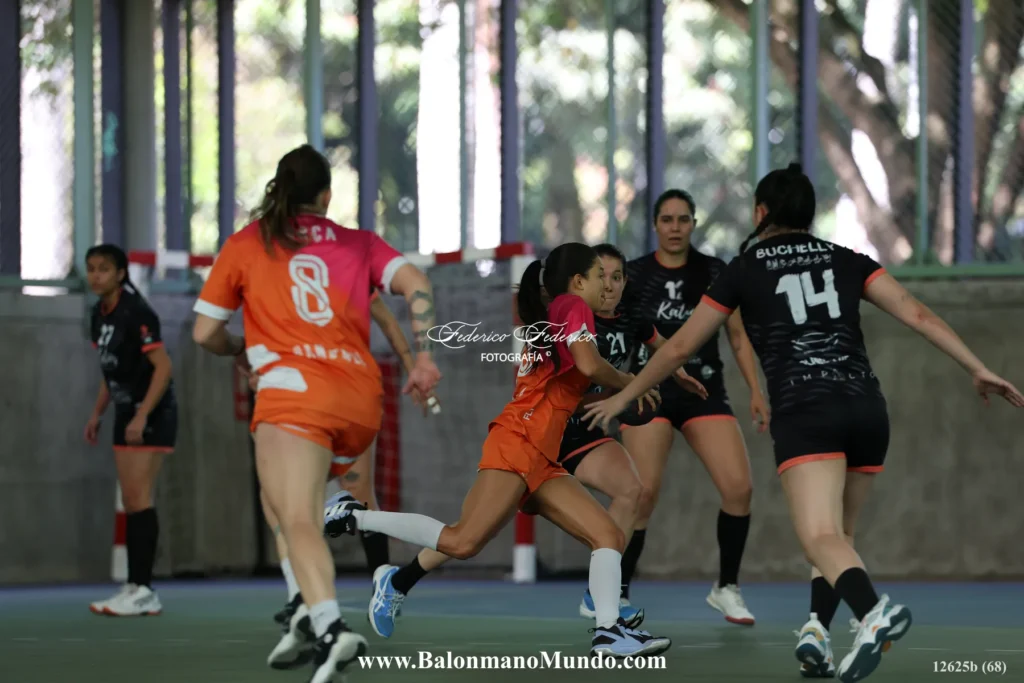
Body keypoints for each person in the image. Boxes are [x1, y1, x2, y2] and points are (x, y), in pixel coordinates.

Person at [581, 163, 1024, 682]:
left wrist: (624, 394)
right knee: (840, 535)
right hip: (866, 409)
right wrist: (977, 367)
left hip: (808, 411)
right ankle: (817, 630)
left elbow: (679, 347)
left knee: (819, 536)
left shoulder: (744, 268)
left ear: (760, 213)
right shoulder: (846, 258)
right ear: (810, 214)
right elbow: (918, 314)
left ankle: (873, 614)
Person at [324, 243, 672, 658]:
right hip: (519, 442)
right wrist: (631, 383)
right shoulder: (572, 306)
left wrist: (617, 396)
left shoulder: (558, 318)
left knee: (608, 535)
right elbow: (590, 365)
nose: (607, 285)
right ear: (578, 282)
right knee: (462, 542)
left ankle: (608, 632)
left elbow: (564, 394)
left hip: (541, 455)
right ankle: (354, 516)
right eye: (600, 275)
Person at [191, 144, 441, 683]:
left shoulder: (247, 244)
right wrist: (422, 359)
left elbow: (205, 332)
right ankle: (309, 595)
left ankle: (327, 624)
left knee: (296, 514)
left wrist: (240, 350)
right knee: (291, 498)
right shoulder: (359, 243)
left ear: (278, 189)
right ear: (327, 196)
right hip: (359, 401)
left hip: (294, 396)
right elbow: (417, 285)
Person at [616, 189, 768, 625]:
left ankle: (726, 588)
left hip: (704, 392)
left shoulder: (715, 271)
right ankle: (615, 592)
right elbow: (617, 333)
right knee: (642, 494)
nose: (675, 227)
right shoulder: (634, 275)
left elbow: (737, 336)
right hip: (649, 392)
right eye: (667, 219)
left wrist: (756, 390)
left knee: (739, 488)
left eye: (683, 219)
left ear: (694, 224)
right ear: (655, 225)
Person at [267, 289, 440, 669]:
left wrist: (415, 363)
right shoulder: (287, 279)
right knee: (296, 496)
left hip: (337, 388)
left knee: (339, 494)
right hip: (315, 388)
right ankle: (311, 594)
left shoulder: (345, 273)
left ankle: (356, 584)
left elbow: (386, 315)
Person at [84, 244, 176, 618]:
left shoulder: (137, 312)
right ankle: (136, 586)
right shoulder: (98, 314)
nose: (96, 276)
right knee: (132, 498)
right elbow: (110, 371)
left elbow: (163, 367)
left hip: (150, 414)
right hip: (124, 412)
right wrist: (97, 413)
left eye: (104, 269)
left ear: (121, 274)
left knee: (139, 498)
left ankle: (144, 588)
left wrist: (142, 415)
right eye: (91, 269)